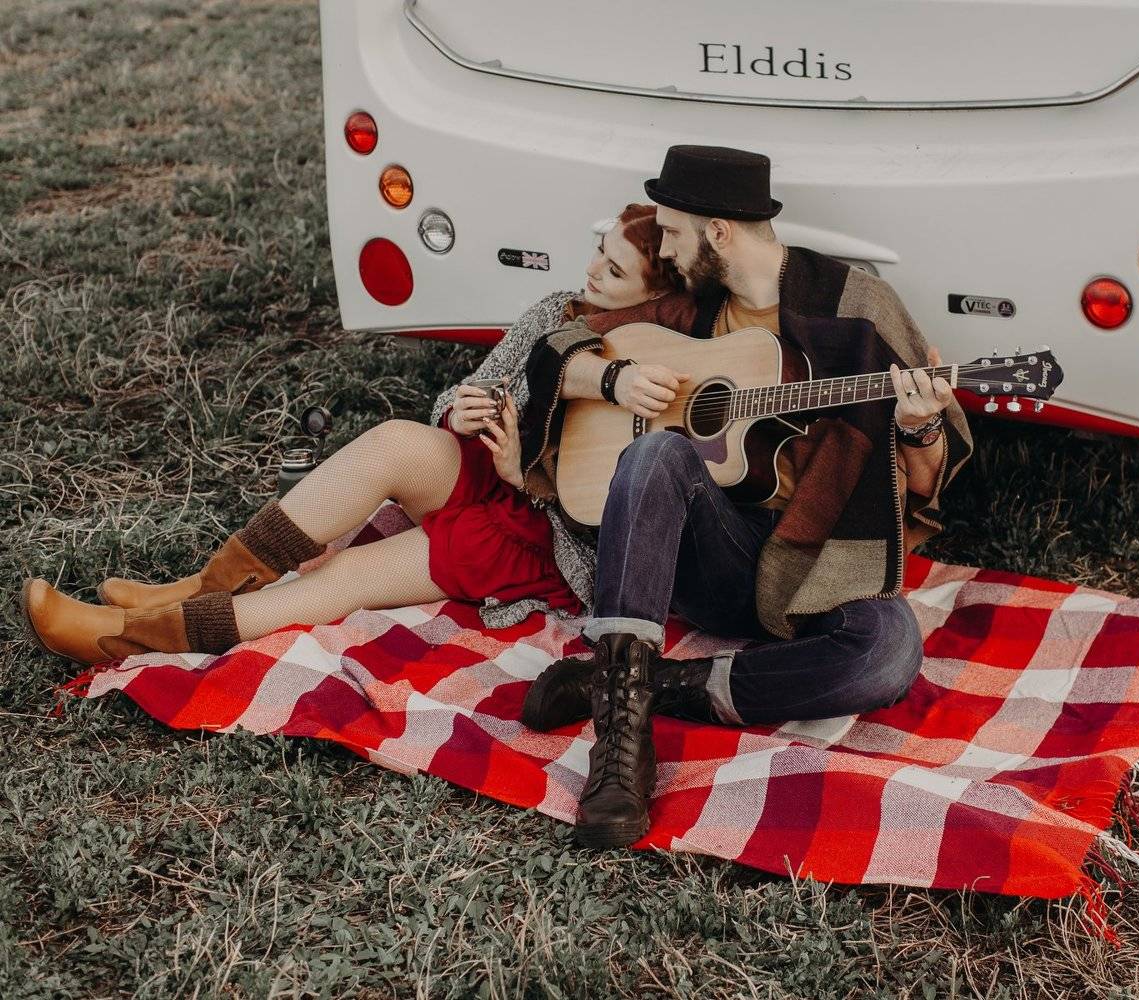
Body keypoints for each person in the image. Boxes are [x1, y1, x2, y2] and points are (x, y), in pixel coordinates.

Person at [517, 146, 974, 848]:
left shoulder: (856, 306)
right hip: (710, 558)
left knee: (888, 650)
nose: (667, 249)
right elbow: (558, 347)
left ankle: (635, 682)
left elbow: (923, 482)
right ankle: (620, 754)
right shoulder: (687, 310)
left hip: (818, 563)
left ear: (719, 232)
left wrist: (919, 424)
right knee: (657, 451)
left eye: (673, 232)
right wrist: (613, 382)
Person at [21, 204, 693, 666]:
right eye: (598, 252)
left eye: (613, 271)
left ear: (654, 296)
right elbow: (462, 393)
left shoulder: (669, 363)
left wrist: (525, 476)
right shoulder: (556, 309)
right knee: (396, 439)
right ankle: (202, 586)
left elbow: (616, 527)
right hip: (484, 469)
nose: (591, 272)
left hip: (540, 532)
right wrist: (458, 412)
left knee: (344, 575)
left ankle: (129, 638)